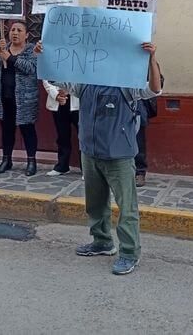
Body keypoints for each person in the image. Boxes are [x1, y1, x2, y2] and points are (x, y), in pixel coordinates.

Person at [34, 39, 163, 275]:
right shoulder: (85, 85)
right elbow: (54, 79)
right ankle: (102, 242)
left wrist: (152, 58)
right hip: (90, 153)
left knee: (127, 208)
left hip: (120, 156)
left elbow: (154, 89)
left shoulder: (127, 86)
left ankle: (129, 252)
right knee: (95, 204)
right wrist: (45, 56)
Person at [0, 21, 39, 176]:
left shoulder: (31, 50)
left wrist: (10, 58)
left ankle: (31, 161)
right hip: (4, 98)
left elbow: (31, 68)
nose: (15, 33)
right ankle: (6, 160)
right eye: (12, 30)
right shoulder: (3, 47)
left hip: (25, 100)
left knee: (28, 130)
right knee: (7, 131)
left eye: (19, 30)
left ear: (26, 35)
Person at [42, 80, 80, 176]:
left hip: (77, 100)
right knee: (62, 136)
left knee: (83, 136)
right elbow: (46, 78)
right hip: (58, 101)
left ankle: (86, 169)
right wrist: (56, 95)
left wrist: (69, 90)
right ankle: (62, 166)